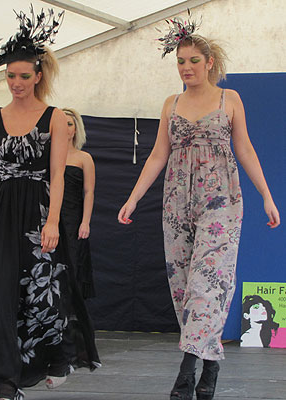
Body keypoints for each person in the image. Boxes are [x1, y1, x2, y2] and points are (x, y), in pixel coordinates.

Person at [0, 6, 100, 400]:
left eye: (24, 76)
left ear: (39, 75)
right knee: (0, 291)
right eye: (10, 76)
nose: (16, 83)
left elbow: (57, 175)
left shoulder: (55, 117)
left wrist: (54, 221)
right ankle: (5, 377)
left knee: (44, 288)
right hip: (0, 214)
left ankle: (48, 360)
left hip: (38, 212)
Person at [118, 11, 280, 400]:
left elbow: (244, 148)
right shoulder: (170, 103)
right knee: (183, 286)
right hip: (176, 202)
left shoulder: (230, 99)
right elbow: (158, 154)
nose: (186, 67)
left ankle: (187, 368)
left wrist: (266, 194)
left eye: (193, 61)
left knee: (209, 283)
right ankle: (210, 364)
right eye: (180, 61)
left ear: (209, 62)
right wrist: (134, 197)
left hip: (221, 201)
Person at [61, 108, 96, 299]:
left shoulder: (84, 158)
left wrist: (85, 222)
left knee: (73, 265)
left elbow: (89, 191)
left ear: (75, 129)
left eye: (69, 124)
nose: (65, 128)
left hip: (73, 219)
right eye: (61, 123)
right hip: (50, 217)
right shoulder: (48, 156)